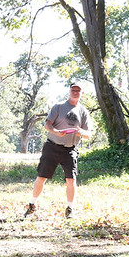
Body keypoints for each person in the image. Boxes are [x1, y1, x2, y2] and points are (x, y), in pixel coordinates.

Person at [24, 83, 94, 219]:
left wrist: (81, 132)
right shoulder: (59, 107)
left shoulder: (83, 112)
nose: (75, 92)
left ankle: (70, 209)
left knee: (71, 180)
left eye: (78, 91)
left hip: (70, 150)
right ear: (69, 91)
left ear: (82, 93)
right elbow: (47, 124)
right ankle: (32, 205)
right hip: (52, 146)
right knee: (41, 177)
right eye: (73, 90)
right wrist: (56, 132)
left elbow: (89, 133)